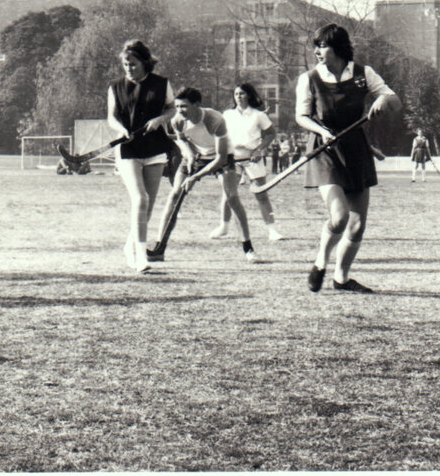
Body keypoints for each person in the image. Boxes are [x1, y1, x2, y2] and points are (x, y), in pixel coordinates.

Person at [297, 24, 401, 294]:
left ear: (338, 48)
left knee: (356, 225)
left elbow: (394, 100)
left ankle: (341, 279)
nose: (317, 51)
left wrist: (383, 101)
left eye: (323, 46)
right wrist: (322, 131)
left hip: (356, 149)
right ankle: (320, 262)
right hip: (325, 151)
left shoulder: (363, 74)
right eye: (316, 46)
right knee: (339, 217)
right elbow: (302, 116)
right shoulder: (309, 78)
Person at [154, 87, 259, 263]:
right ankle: (159, 247)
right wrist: (189, 155)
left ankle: (248, 248)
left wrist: (195, 177)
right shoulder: (178, 120)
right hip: (197, 156)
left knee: (232, 197)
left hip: (222, 157)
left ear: (197, 104)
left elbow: (220, 158)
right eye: (178, 107)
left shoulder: (214, 119)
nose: (180, 111)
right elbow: (182, 139)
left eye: (184, 107)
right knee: (174, 195)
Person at [106, 40, 177, 273]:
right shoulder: (115, 87)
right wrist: (121, 129)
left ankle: (130, 246)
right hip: (128, 150)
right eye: (125, 64)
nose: (129, 68)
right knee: (140, 199)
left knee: (148, 204)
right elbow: (112, 117)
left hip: (155, 148)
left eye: (133, 64)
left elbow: (172, 108)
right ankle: (140, 257)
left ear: (145, 62)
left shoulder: (161, 84)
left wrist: (159, 120)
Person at [213, 83, 284, 241]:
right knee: (229, 194)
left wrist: (260, 149)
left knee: (261, 193)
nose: (238, 96)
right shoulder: (227, 114)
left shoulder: (258, 115)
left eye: (242, 94)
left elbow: (271, 133)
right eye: (236, 94)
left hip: (252, 158)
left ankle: (272, 230)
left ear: (249, 96)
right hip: (232, 157)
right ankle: (223, 227)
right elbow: (220, 135)